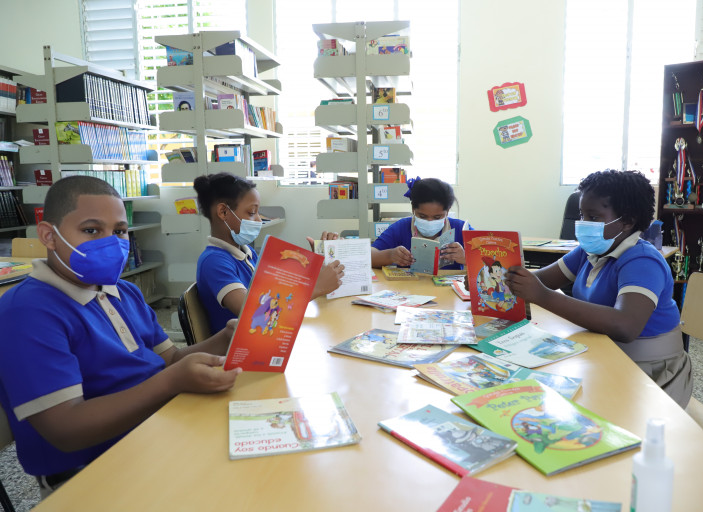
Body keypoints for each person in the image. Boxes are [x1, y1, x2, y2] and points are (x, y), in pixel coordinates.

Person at [0, 176, 241, 496]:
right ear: (49, 235)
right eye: (91, 230)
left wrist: (225, 336)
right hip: (93, 472)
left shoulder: (124, 291)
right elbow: (65, 429)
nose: (111, 243)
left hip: (159, 433)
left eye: (119, 231)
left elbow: (170, 360)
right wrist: (170, 382)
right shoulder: (27, 312)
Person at [504, 169, 692, 408]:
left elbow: (625, 326)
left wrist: (542, 296)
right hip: (602, 355)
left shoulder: (643, 260)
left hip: (649, 372)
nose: (583, 224)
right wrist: (498, 278)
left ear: (627, 221)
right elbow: (540, 280)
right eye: (581, 215)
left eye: (593, 217)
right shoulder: (589, 251)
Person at [194, 172, 344, 333]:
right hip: (248, 344)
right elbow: (255, 312)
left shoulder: (248, 253)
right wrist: (316, 287)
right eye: (252, 213)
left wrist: (317, 264)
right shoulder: (214, 262)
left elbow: (279, 292)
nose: (259, 220)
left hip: (268, 333)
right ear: (223, 212)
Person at [371, 177, 470, 269]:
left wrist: (465, 258)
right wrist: (390, 255)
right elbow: (369, 255)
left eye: (437, 217)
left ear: (447, 211)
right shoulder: (401, 227)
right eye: (422, 216)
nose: (429, 222)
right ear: (413, 209)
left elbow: (480, 257)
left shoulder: (461, 228)